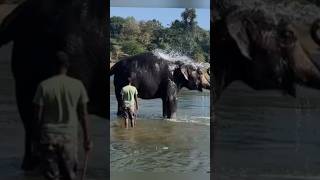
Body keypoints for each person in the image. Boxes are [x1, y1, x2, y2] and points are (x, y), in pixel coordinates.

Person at [33, 51, 92, 180]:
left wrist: (35, 139)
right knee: (69, 175)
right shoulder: (78, 85)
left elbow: (37, 116)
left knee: (51, 176)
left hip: (48, 138)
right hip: (69, 138)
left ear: (52, 66)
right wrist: (87, 139)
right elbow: (84, 115)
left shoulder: (43, 86)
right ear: (68, 65)